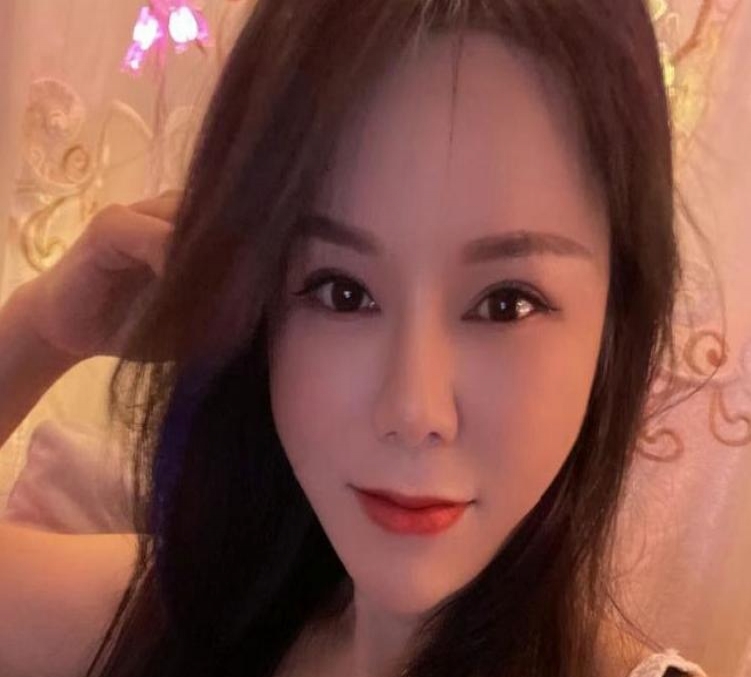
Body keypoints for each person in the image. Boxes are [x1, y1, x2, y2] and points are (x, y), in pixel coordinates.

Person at [0, 0, 711, 676]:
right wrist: (41, 331)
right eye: (342, 291)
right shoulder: (186, 618)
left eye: (505, 304)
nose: (413, 409)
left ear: (615, 317)